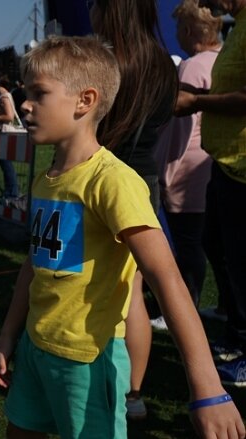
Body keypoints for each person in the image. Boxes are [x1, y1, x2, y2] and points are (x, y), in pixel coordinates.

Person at [0, 35, 244, 439]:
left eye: (39, 93)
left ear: (84, 101)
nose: (24, 104)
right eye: (24, 92)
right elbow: (34, 265)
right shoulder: (45, 178)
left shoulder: (113, 182)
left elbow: (167, 279)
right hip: (37, 350)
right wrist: (8, 335)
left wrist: (207, 387)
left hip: (88, 360)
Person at [90, 0, 179, 420]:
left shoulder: (103, 58)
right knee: (133, 295)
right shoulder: (162, 63)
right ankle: (132, 394)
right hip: (144, 180)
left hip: (100, 180)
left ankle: (87, 376)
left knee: (86, 283)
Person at [176, 0, 246, 387]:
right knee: (218, 247)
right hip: (225, 163)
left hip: (241, 167)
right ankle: (236, 335)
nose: (205, 2)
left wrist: (196, 102)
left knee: (239, 259)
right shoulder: (238, 28)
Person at [153, 0, 222, 324]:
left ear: (189, 30)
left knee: (188, 244)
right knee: (215, 243)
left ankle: (183, 308)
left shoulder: (192, 67)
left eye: (180, 28)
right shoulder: (222, 60)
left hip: (187, 171)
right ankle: (224, 304)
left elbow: (179, 129)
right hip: (213, 165)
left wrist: (165, 171)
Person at [0, 72, 24, 202]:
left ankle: (12, 192)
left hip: (2, 133)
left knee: (6, 164)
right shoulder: (4, 96)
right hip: (0, 133)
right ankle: (10, 191)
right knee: (4, 164)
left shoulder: (4, 97)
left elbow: (9, 116)